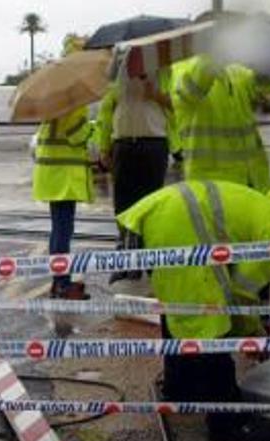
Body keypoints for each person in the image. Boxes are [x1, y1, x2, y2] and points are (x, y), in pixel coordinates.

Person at [118, 180, 270, 441]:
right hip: (179, 223)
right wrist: (252, 333)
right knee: (209, 322)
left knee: (181, 306)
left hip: (164, 213)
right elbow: (240, 293)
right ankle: (227, 425)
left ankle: (179, 387)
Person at [97, 64, 177, 284]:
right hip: (123, 145)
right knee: (123, 206)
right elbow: (106, 112)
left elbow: (180, 106)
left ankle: (149, 260)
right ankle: (126, 261)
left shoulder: (165, 73)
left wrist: (157, 95)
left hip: (154, 143)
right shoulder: (117, 75)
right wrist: (104, 147)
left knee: (152, 205)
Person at [172, 55, 270, 193]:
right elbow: (193, 89)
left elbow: (266, 86)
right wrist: (216, 51)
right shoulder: (181, 69)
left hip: (255, 181)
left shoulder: (235, 71)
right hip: (214, 187)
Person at [33, 105, 94, 300]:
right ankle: (62, 284)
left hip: (53, 177)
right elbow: (78, 137)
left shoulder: (51, 110)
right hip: (63, 179)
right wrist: (94, 127)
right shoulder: (73, 109)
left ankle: (59, 280)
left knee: (59, 230)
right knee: (62, 232)